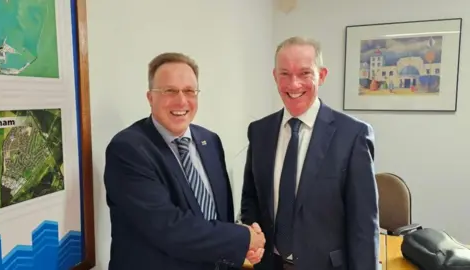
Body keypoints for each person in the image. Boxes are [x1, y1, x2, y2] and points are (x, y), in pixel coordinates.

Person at [104, 52, 265, 270]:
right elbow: (169, 228)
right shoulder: (128, 149)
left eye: (189, 91)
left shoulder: (210, 140)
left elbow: (218, 216)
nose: (181, 100)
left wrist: (240, 248)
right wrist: (242, 238)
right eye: (169, 91)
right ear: (150, 97)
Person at [240, 36, 380, 270]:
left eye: (305, 73)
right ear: (275, 76)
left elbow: (364, 226)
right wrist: (251, 238)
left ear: (322, 75)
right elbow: (251, 198)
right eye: (285, 74)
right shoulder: (259, 131)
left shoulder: (353, 135)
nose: (294, 84)